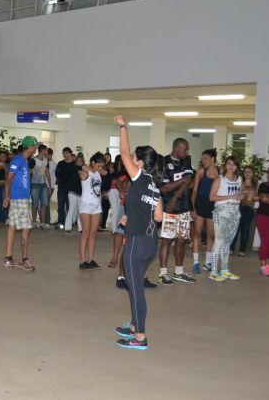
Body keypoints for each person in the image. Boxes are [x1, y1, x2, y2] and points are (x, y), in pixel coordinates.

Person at [112, 115, 163, 351]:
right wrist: (131, 217)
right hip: (150, 243)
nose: (130, 160)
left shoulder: (140, 178)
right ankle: (134, 326)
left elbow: (123, 152)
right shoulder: (153, 185)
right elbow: (158, 216)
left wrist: (123, 126)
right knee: (135, 287)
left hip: (136, 244)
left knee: (135, 290)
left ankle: (140, 336)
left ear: (140, 163)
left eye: (134, 159)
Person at [157, 138, 196, 285]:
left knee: (181, 240)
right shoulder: (163, 163)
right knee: (167, 240)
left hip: (183, 208)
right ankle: (162, 274)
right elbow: (163, 187)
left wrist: (175, 197)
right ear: (177, 148)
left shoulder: (186, 160)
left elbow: (189, 180)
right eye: (185, 149)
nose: (187, 152)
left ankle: (178, 272)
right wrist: (182, 181)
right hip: (169, 210)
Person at [2, 136, 39, 271]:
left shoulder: (24, 160)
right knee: (26, 228)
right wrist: (7, 196)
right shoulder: (18, 160)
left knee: (12, 227)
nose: (36, 148)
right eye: (35, 146)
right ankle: (25, 260)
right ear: (30, 147)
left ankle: (8, 258)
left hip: (20, 198)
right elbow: (9, 178)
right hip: (19, 199)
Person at [208, 157, 243, 282]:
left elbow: (241, 193)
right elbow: (211, 197)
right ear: (225, 165)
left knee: (228, 242)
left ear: (237, 166)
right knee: (219, 241)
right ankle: (213, 271)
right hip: (221, 212)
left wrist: (241, 196)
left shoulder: (239, 179)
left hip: (235, 212)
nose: (231, 166)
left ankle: (224, 269)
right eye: (229, 163)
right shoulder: (219, 179)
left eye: (234, 164)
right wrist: (230, 196)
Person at [191, 149, 218, 274]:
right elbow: (194, 191)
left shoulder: (220, 172)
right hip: (200, 204)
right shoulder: (201, 171)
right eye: (202, 158)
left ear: (212, 159)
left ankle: (208, 262)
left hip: (213, 205)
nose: (203, 161)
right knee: (197, 233)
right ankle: (196, 262)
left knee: (210, 235)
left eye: (205, 158)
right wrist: (193, 208)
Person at [78, 152, 105, 270]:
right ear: (93, 163)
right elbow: (80, 172)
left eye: (102, 166)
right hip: (86, 205)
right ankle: (82, 261)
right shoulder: (85, 172)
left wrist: (95, 169)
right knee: (86, 233)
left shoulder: (98, 173)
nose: (100, 168)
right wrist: (85, 168)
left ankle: (91, 260)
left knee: (93, 234)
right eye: (98, 165)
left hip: (97, 206)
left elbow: (106, 173)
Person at [231, 165, 258, 256]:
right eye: (245, 172)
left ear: (253, 173)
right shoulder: (239, 181)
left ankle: (242, 250)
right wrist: (245, 194)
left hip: (249, 209)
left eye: (249, 172)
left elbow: (258, 197)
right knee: (235, 229)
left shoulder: (256, 184)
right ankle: (231, 248)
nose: (247, 173)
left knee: (245, 230)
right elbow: (235, 194)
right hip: (237, 207)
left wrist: (249, 195)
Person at [30, 144, 51, 229]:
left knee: (45, 203)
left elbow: (47, 173)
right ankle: (34, 222)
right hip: (35, 184)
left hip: (44, 185)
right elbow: (29, 172)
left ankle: (42, 223)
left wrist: (49, 186)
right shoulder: (33, 160)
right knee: (35, 204)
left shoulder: (46, 161)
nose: (47, 152)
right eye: (46, 150)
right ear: (42, 150)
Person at [55, 147, 74, 229]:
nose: (65, 155)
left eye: (66, 153)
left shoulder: (74, 164)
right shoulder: (60, 163)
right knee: (60, 206)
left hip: (71, 189)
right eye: (63, 153)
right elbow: (57, 174)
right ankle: (61, 222)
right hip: (61, 188)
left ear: (70, 153)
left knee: (69, 207)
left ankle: (69, 223)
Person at [65, 155, 84, 232]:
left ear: (83, 162)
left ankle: (81, 228)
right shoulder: (73, 168)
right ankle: (67, 227)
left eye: (80, 161)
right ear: (75, 162)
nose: (79, 162)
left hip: (81, 193)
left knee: (81, 210)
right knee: (71, 209)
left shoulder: (85, 169)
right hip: (72, 192)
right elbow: (67, 171)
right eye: (77, 161)